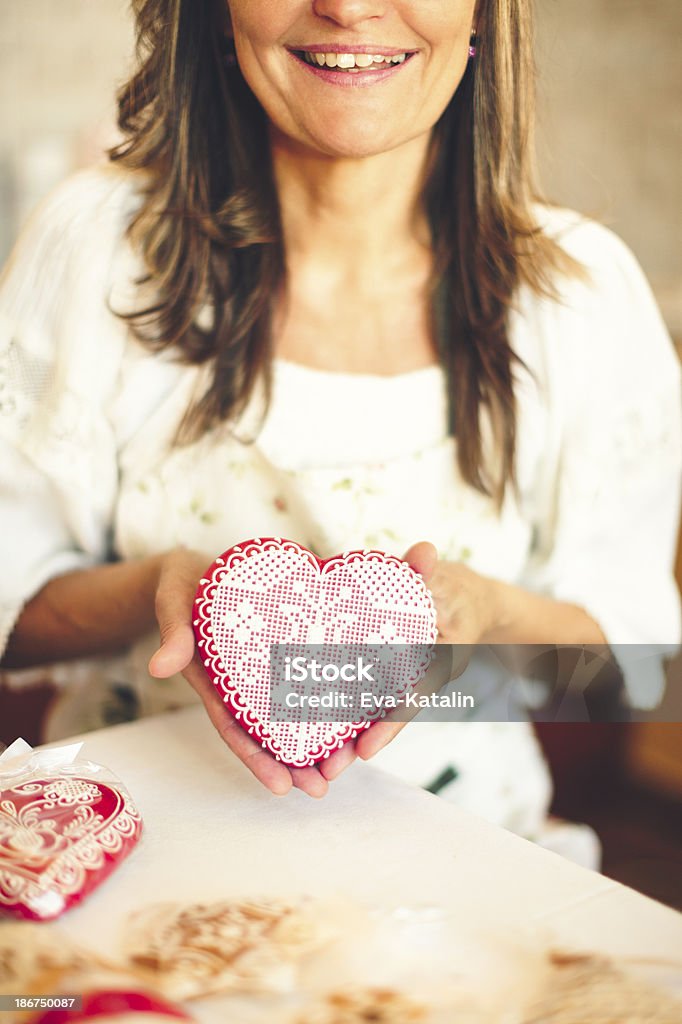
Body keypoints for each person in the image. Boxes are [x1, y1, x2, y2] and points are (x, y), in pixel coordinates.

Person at [0, 1, 680, 850]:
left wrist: (482, 614)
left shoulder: (581, 297)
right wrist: (158, 588)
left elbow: (630, 672)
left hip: (465, 874)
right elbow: (10, 626)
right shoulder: (96, 244)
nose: (349, 6)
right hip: (125, 864)